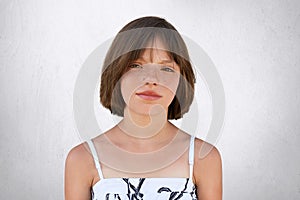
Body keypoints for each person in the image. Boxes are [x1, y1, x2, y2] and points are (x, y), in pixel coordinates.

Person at [65, 16, 222, 200]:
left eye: (167, 69)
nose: (151, 79)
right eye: (136, 65)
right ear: (116, 73)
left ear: (181, 81)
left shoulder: (204, 158)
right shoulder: (82, 159)